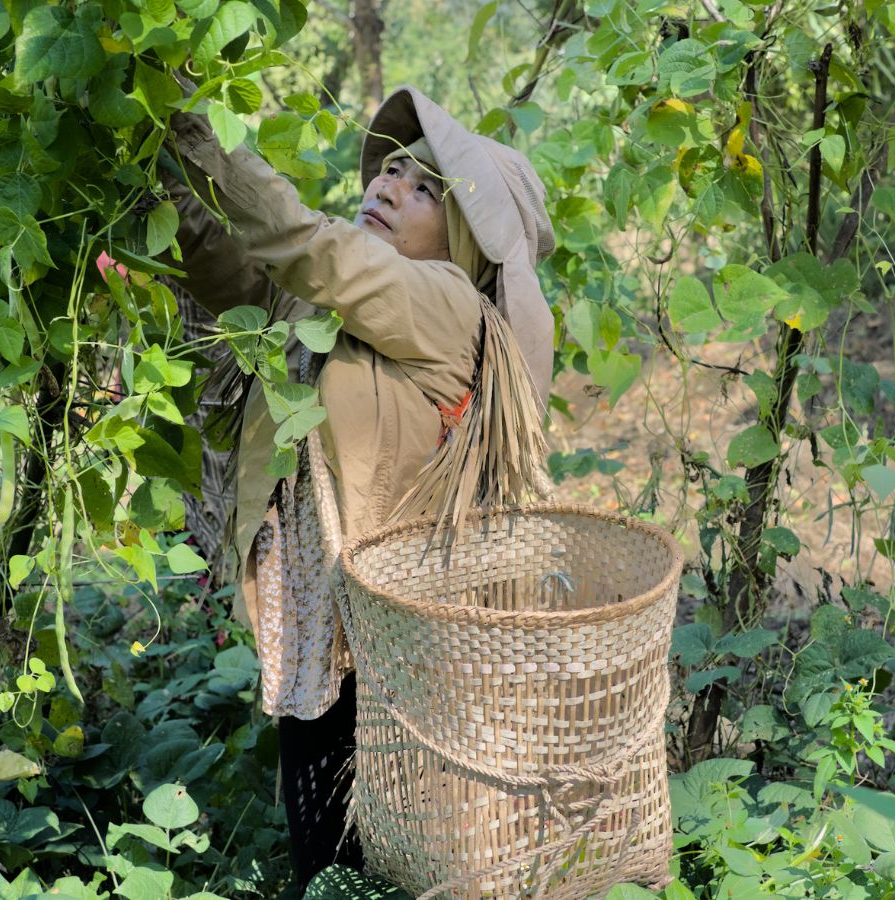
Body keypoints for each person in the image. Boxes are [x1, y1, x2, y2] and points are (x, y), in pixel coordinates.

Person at [159, 87, 556, 887]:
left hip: (395, 632)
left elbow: (311, 244)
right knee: (324, 841)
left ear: (469, 241)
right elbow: (230, 268)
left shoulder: (449, 305)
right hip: (327, 615)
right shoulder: (335, 307)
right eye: (389, 174)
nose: (384, 188)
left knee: (396, 840)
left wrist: (195, 130)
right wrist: (156, 171)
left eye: (422, 189)